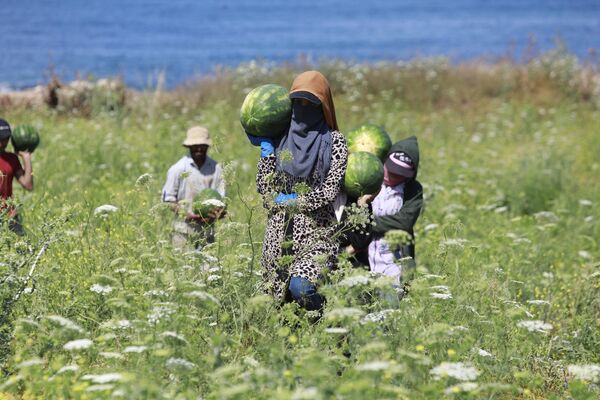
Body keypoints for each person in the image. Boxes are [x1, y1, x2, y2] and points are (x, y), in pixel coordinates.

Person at [249, 71, 348, 311]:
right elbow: (264, 187)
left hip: (316, 236)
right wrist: (267, 154)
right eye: (298, 102)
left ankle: (327, 319)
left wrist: (296, 201)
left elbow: (329, 191)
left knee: (301, 288)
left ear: (322, 106)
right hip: (278, 236)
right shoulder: (279, 137)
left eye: (310, 103)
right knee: (276, 304)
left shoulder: (335, 142)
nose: (303, 108)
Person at [367, 135, 423, 287]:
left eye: (398, 175)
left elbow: (404, 222)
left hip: (394, 265)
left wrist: (366, 223)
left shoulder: (412, 190)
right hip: (364, 261)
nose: (390, 177)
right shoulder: (369, 178)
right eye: (390, 170)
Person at [161, 126, 225, 251]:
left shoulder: (216, 168)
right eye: (195, 145)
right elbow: (167, 200)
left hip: (208, 231)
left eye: (202, 145)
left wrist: (219, 212)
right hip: (183, 231)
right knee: (184, 267)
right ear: (189, 146)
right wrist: (187, 214)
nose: (199, 148)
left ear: (207, 146)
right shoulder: (178, 169)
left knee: (208, 269)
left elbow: (221, 198)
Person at [0, 118, 33, 236]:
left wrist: (26, 158)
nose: (1, 143)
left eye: (4, 139)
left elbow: (28, 185)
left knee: (22, 251)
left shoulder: (12, 159)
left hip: (11, 216)